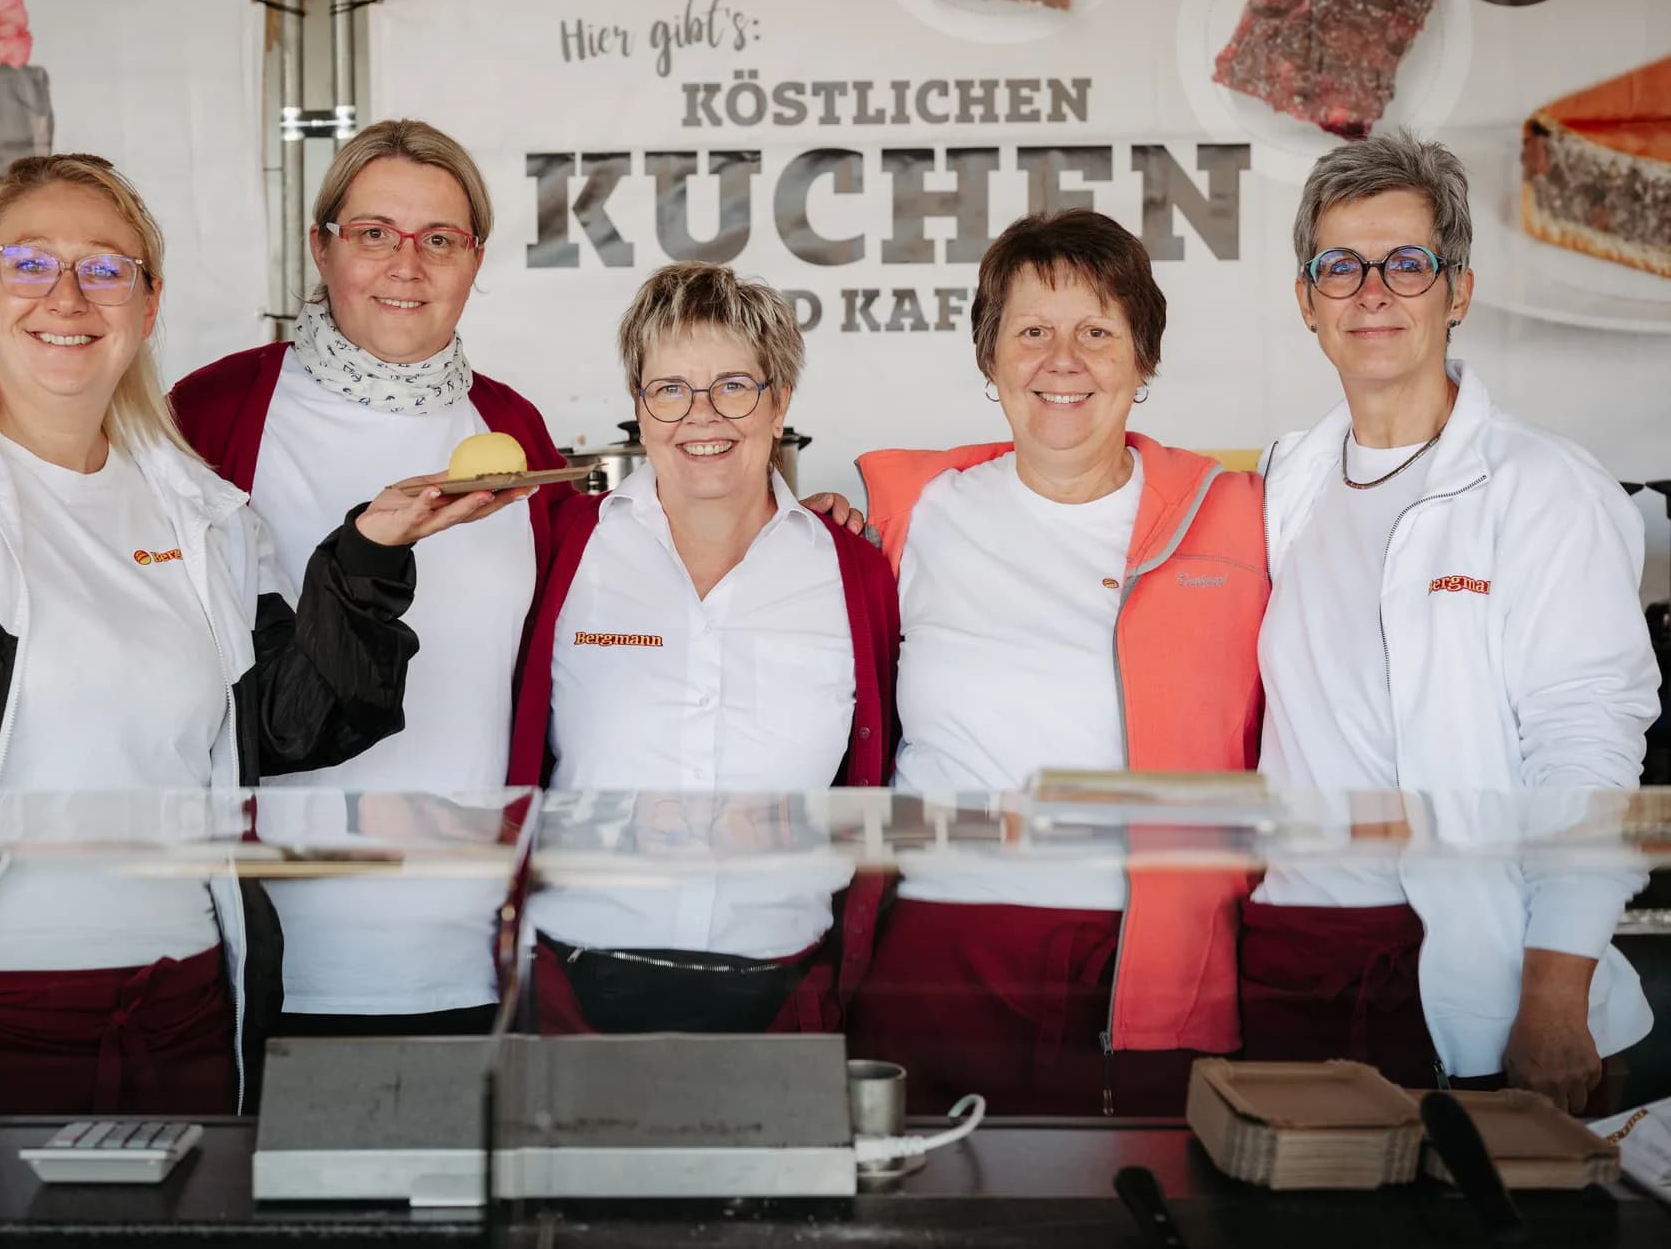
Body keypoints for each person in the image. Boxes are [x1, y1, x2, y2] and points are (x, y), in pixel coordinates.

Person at [0, 153, 503, 1119]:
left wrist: (364, 556)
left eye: (106, 269)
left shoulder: (206, 513)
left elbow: (293, 726)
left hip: (185, 1015)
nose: (67, 296)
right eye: (30, 263)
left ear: (148, 307)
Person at [171, 121, 863, 1035]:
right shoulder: (214, 413)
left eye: (440, 238)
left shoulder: (511, 428)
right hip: (267, 940)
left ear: (474, 259)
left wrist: (810, 531)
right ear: (321, 246)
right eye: (374, 232)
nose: (407, 264)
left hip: (475, 947)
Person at [1248, 130, 1657, 1113]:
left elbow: (1585, 746)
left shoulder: (1542, 488)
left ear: (1457, 290)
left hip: (1465, 974)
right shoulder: (1285, 478)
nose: (1372, 293)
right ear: (1305, 300)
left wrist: (1553, 993)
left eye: (1407, 264)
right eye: (1339, 267)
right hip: (1291, 959)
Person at [848, 208, 1269, 1116]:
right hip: (938, 952)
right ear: (989, 356)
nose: (1062, 360)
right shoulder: (909, 514)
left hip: (1153, 966)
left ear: (1143, 358)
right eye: (1032, 331)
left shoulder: (1240, 516)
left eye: (1097, 332)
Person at [505, 262, 899, 1034]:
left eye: (733, 386)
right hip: (573, 981)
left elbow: (878, 774)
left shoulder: (853, 570)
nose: (701, 415)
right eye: (670, 389)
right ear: (639, 405)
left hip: (786, 983)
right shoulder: (562, 542)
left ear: (780, 401)